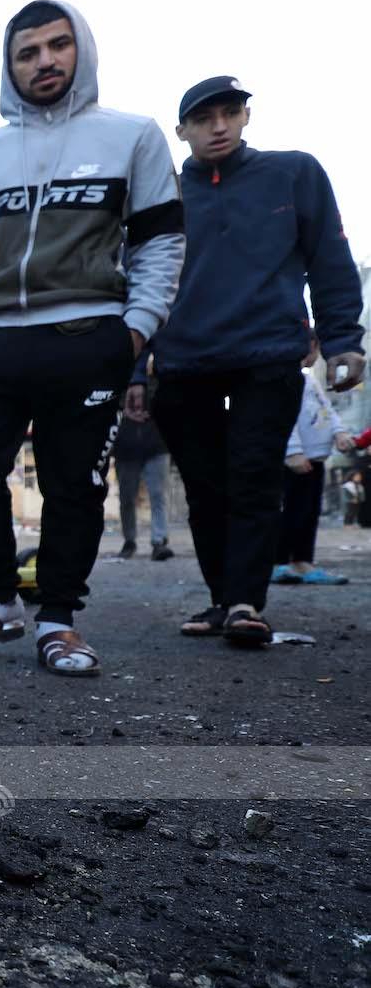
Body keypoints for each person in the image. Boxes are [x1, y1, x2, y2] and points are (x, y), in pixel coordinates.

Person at [0, 0, 183, 676]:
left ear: (80, 50)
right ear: (10, 66)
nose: (45, 61)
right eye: (28, 52)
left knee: (75, 486)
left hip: (87, 337)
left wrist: (134, 332)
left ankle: (59, 621)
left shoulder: (132, 137)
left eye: (57, 46)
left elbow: (160, 243)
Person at [133, 76, 364, 645]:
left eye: (231, 113)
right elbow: (132, 281)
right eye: (205, 118)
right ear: (181, 128)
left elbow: (329, 259)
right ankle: (221, 597)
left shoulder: (294, 173)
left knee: (257, 473)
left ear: (244, 118)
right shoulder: (158, 193)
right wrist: (134, 371)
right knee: (207, 486)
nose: (219, 126)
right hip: (184, 358)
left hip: (268, 351)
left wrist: (343, 342)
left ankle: (245, 602)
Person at [273, 336, 355, 586]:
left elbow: (327, 410)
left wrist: (339, 432)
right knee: (290, 512)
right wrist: (292, 452)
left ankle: (303, 561)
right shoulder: (281, 381)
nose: (311, 352)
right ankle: (279, 563)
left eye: (314, 347)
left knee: (309, 512)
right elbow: (283, 420)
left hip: (316, 456)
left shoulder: (309, 380)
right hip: (295, 459)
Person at [112, 352, 172, 561]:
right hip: (126, 448)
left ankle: (159, 541)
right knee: (127, 498)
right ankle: (130, 540)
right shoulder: (116, 378)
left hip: (156, 445)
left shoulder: (158, 379)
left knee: (158, 496)